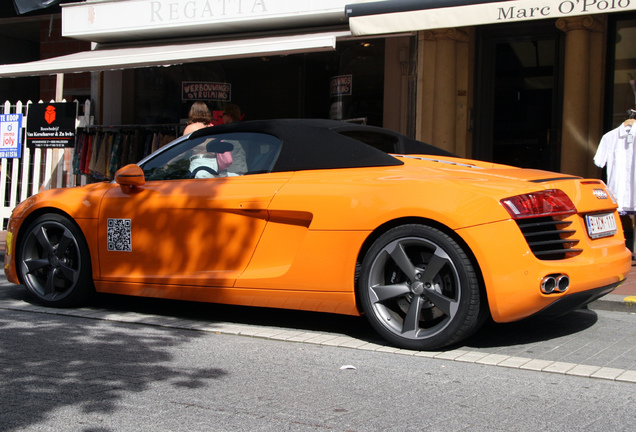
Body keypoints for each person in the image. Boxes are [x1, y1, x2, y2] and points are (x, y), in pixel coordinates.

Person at [220, 103, 248, 175]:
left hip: (230, 170)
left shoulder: (226, 130)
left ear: (229, 116)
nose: (222, 117)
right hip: (242, 167)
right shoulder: (245, 130)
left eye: (223, 114)